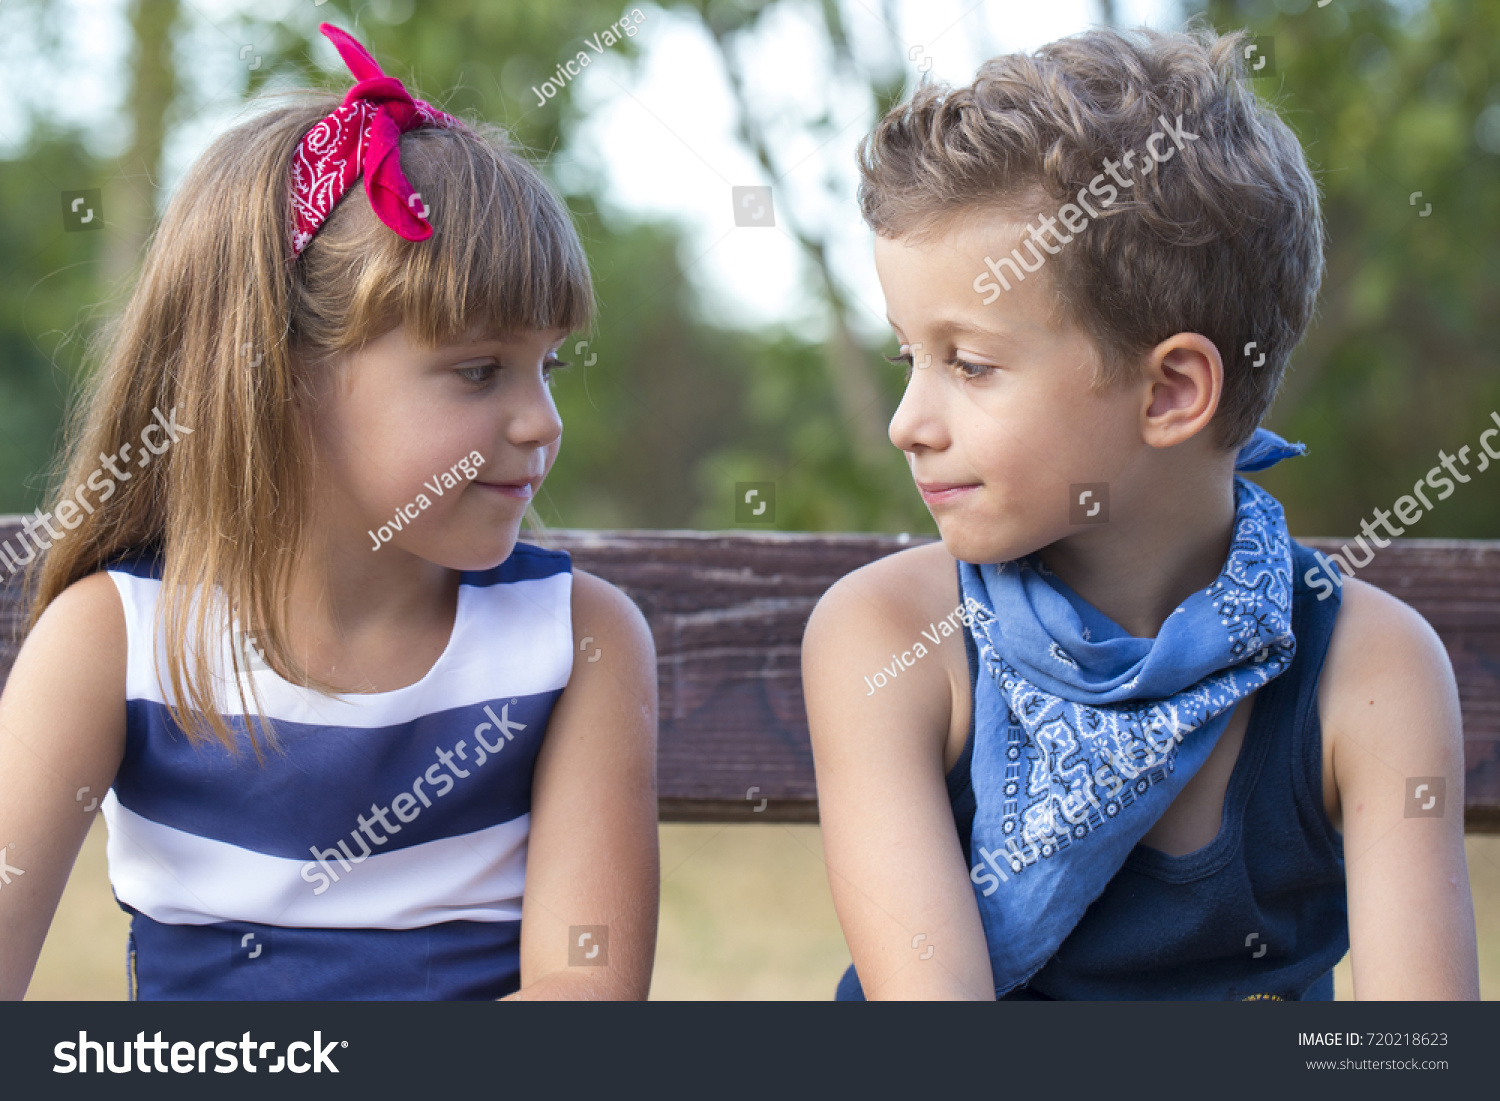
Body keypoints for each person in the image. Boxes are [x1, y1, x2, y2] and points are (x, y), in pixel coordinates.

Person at [802, 24, 1480, 1000]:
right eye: (908, 357)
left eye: (973, 364)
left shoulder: (1370, 669)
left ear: (1169, 394)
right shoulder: (892, 638)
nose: (909, 423)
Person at [0, 24, 658, 1001]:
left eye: (547, 366)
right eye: (480, 371)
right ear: (274, 379)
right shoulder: (115, 640)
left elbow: (584, 998)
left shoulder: (577, 641)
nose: (541, 421)